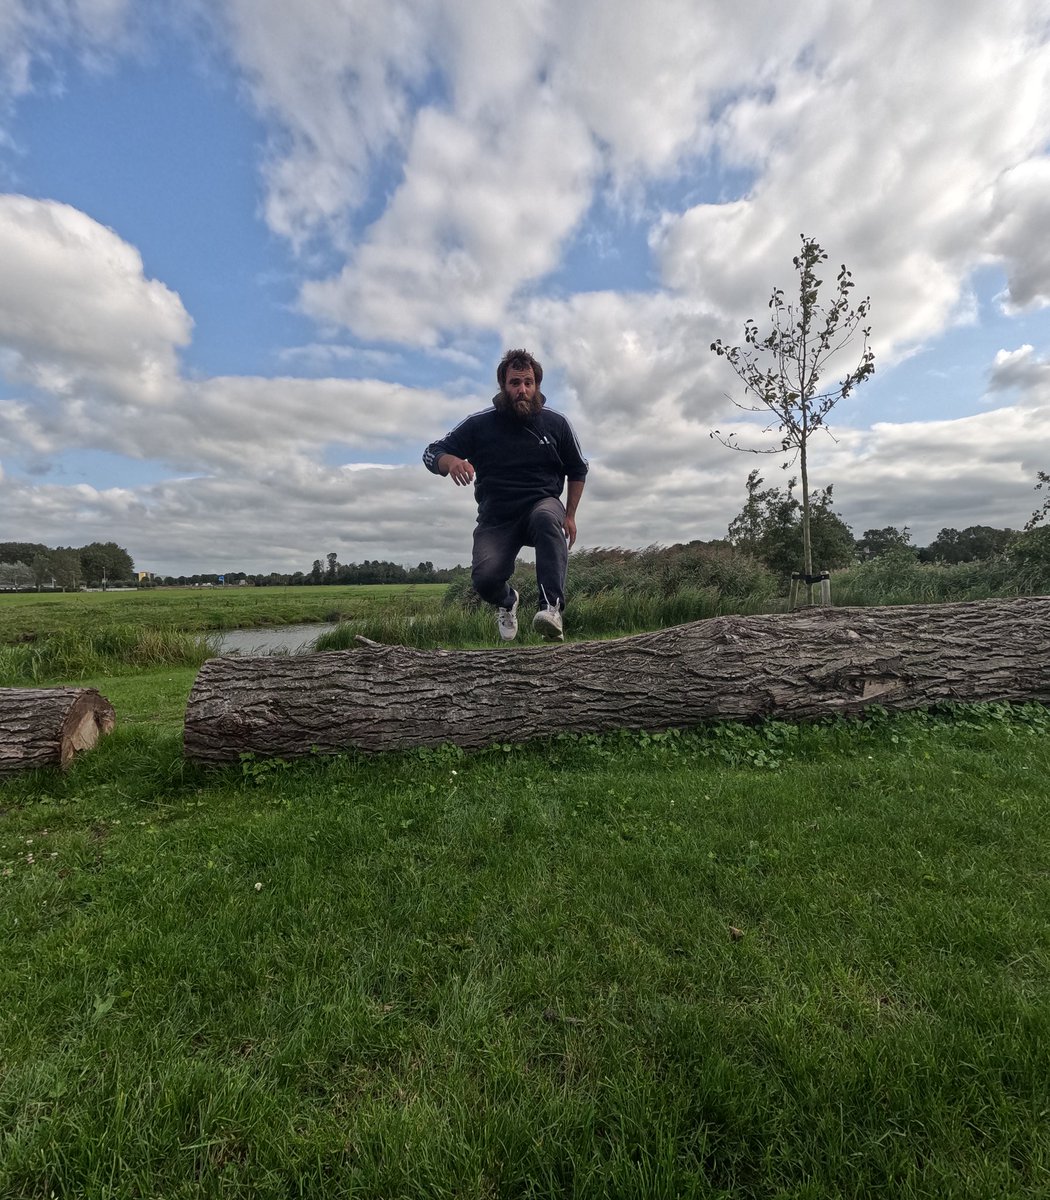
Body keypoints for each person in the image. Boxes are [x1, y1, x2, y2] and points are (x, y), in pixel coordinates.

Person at [423, 348, 588, 642]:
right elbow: (431, 451)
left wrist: (571, 515)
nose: (522, 390)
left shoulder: (557, 423)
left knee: (548, 518)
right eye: (515, 383)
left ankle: (551, 609)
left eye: (528, 382)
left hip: (541, 502)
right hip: (497, 515)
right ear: (503, 386)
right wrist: (451, 462)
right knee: (484, 579)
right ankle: (508, 600)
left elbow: (578, 468)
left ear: (537, 385)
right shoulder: (480, 424)